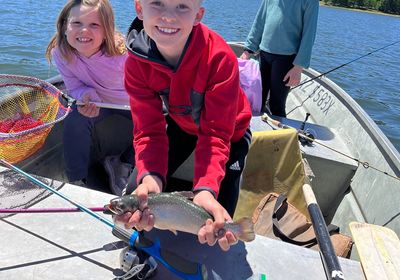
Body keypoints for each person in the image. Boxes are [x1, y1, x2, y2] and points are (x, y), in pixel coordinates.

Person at [119, 0, 252, 251]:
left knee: (217, 226)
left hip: (229, 133)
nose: (168, 16)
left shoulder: (220, 58)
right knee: (137, 194)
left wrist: (205, 190)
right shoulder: (136, 62)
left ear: (198, 15)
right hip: (182, 124)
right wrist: (151, 179)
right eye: (157, 3)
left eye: (182, 6)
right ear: (139, 8)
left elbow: (214, 135)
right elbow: (148, 130)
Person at [45, 0, 133, 195]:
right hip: (98, 102)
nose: (84, 30)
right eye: (77, 23)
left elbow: (148, 86)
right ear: (64, 26)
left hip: (132, 104)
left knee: (160, 125)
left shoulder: (125, 55)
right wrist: (86, 96)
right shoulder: (61, 54)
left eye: (94, 25)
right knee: (75, 118)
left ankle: (124, 164)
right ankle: (77, 180)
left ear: (107, 30)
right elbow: (74, 86)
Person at [240, 0, 319, 117]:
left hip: (286, 61)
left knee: (276, 104)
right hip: (263, 55)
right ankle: (250, 132)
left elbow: (309, 35)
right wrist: (248, 50)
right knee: (255, 100)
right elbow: (259, 22)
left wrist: (298, 67)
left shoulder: (311, 2)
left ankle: (280, 134)